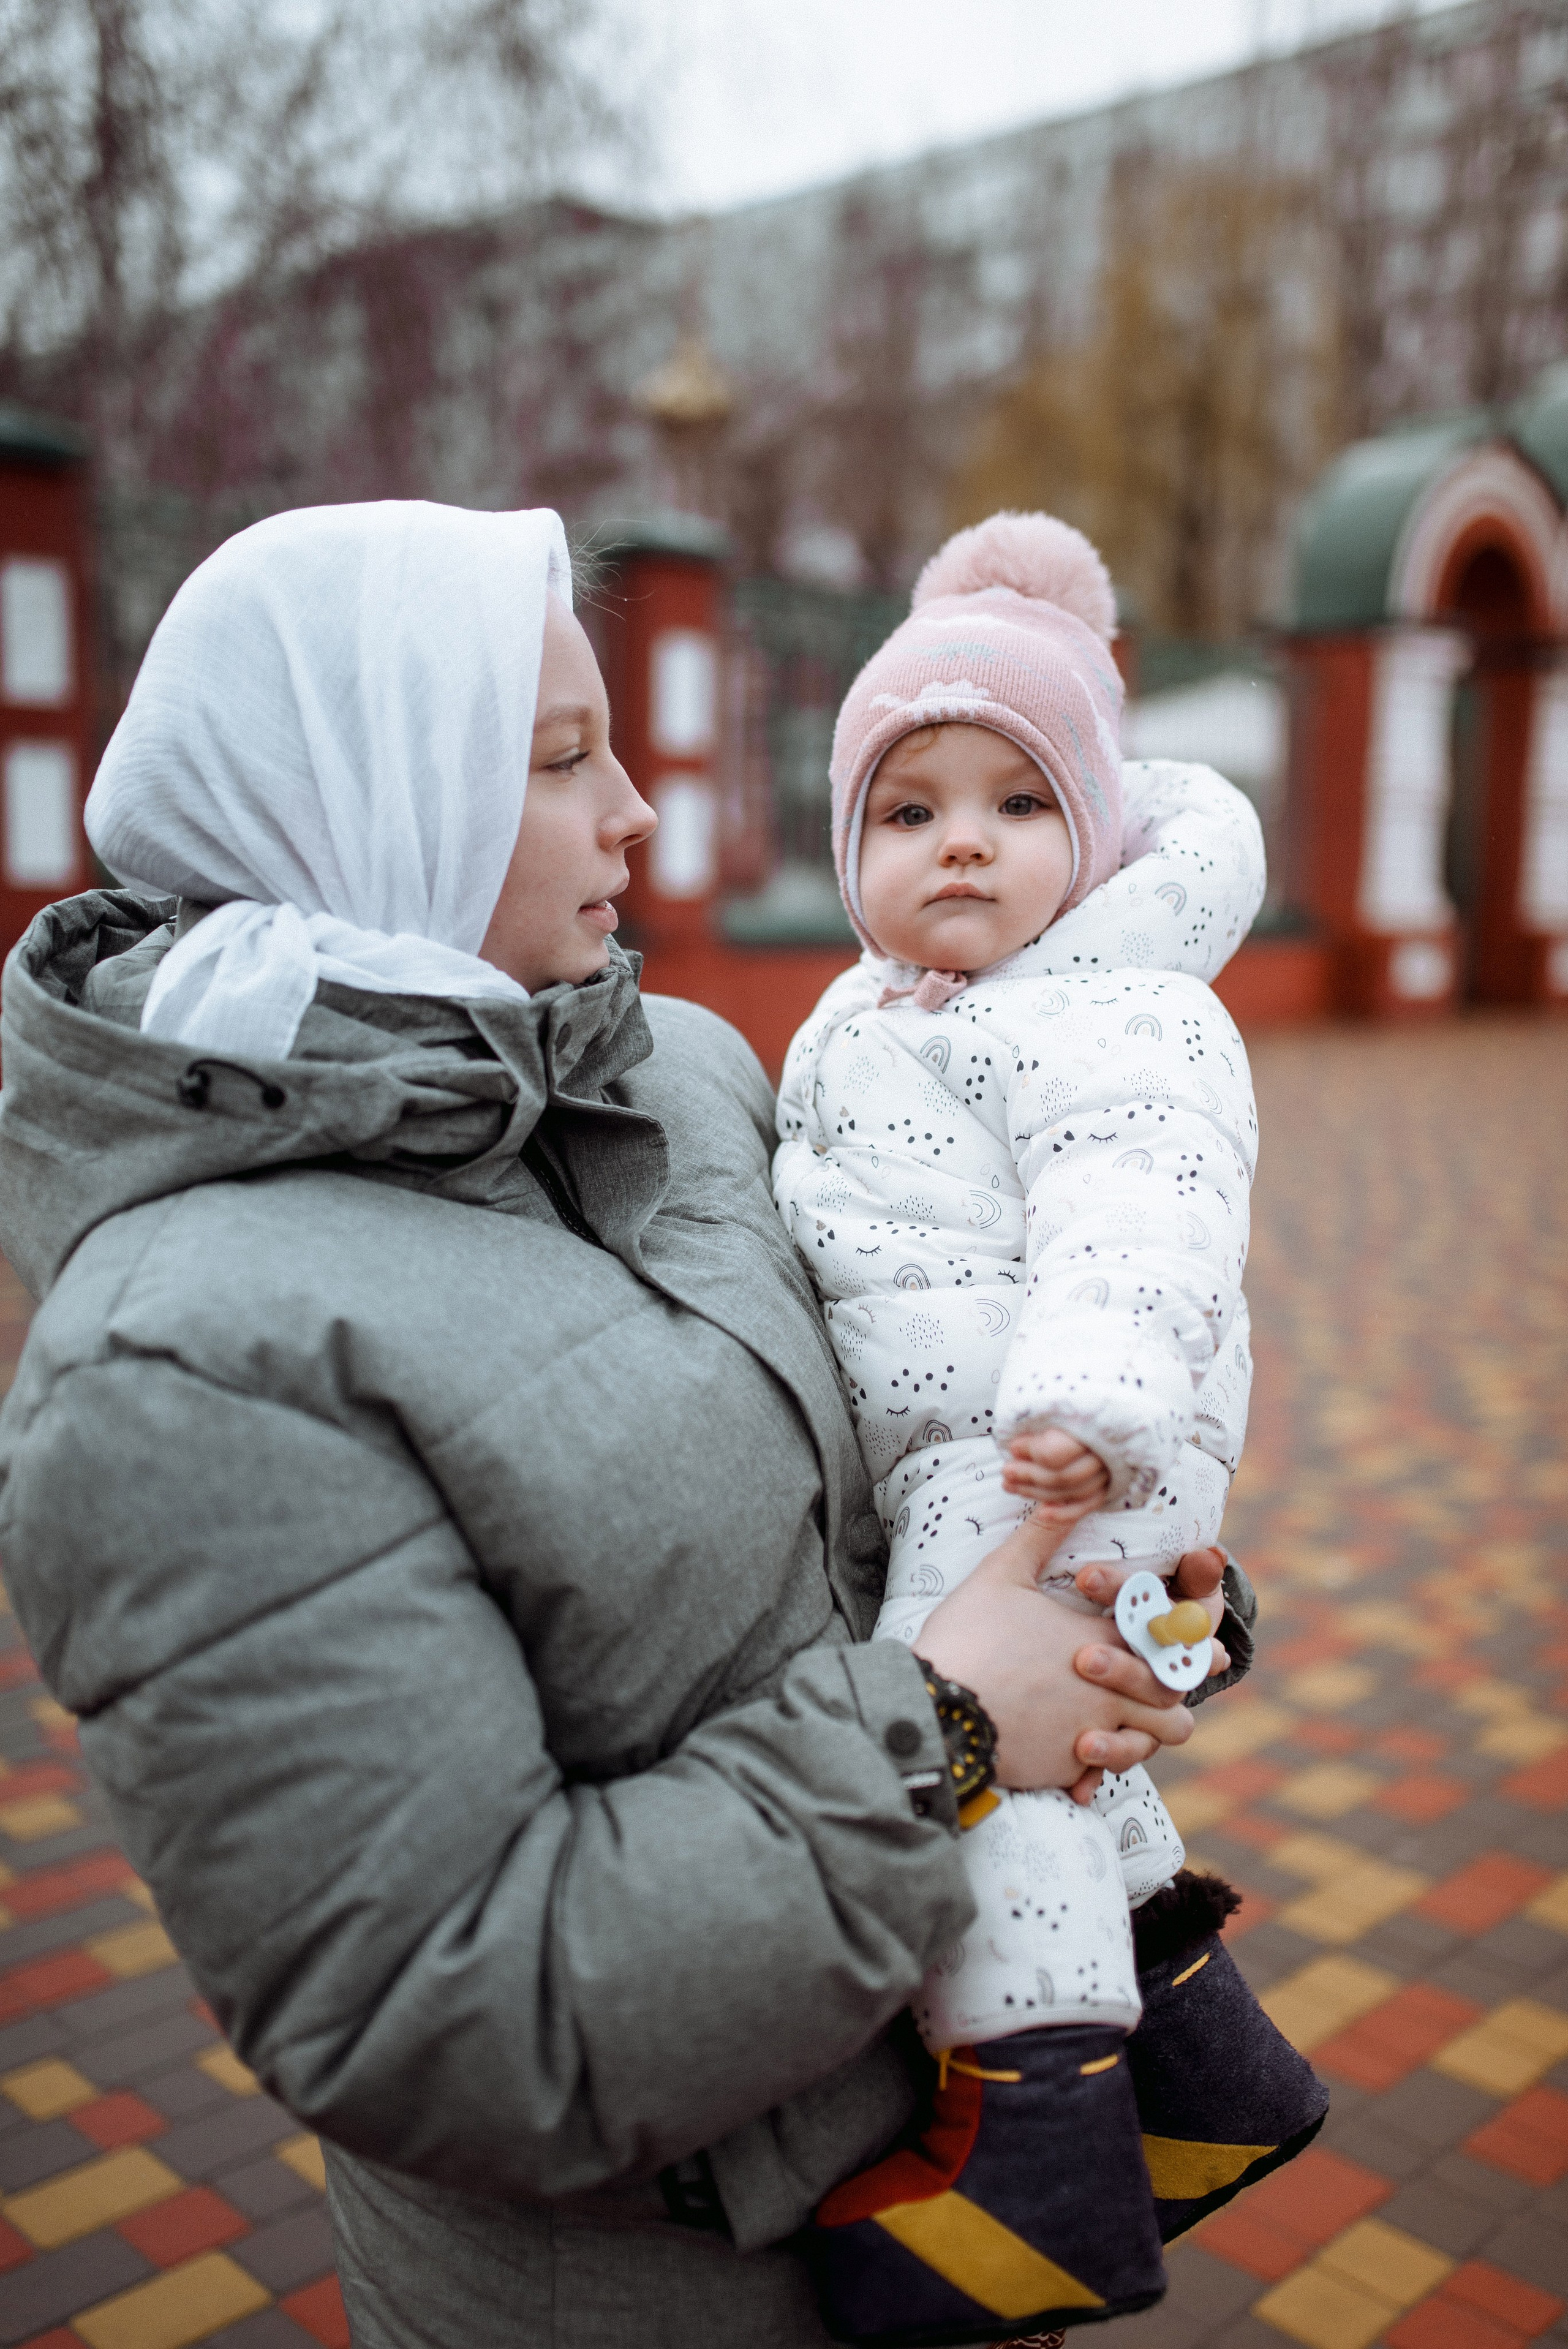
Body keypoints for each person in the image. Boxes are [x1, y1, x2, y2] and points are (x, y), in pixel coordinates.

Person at [0, 499, 1257, 2349]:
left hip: (949, 2208)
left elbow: (873, 1492)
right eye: (559, 758)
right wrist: (953, 1726)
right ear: (373, 794)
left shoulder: (676, 1069)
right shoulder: (180, 1361)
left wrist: (1112, 1597)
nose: (641, 815)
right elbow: (444, 2012)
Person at [775, 513, 1326, 2345]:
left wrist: (1086, 1406)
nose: (959, 841)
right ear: (850, 845)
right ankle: (1203, 2053)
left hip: (1039, 1449)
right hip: (989, 1452)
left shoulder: (1108, 1009)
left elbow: (1145, 1206)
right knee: (1080, 1756)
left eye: (1014, 804)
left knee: (991, 1757)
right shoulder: (890, 1011)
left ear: (1084, 844)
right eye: (907, 805)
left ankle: (1033, 2136)